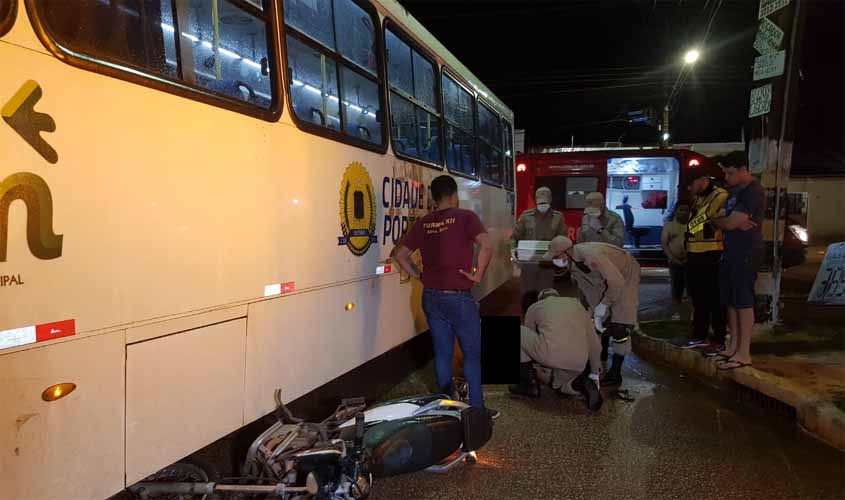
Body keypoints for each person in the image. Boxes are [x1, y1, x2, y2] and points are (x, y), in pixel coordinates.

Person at [393, 175, 498, 419]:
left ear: (434, 197)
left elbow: (401, 255)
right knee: (472, 355)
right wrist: (478, 274)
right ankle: (477, 409)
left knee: (442, 354)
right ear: (454, 196)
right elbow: (487, 245)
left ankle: (446, 407)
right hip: (458, 298)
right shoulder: (465, 217)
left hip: (431, 297)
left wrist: (420, 276)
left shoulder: (424, 223)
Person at [543, 237, 640, 386]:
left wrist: (605, 303)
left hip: (626, 273)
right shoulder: (574, 265)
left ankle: (615, 372)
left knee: (622, 323)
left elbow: (617, 282)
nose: (555, 261)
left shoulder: (592, 255)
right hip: (605, 279)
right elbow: (589, 289)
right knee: (596, 319)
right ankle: (599, 357)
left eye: (556, 257)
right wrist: (596, 310)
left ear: (566, 253)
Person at [709, 152, 765, 370]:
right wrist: (725, 222)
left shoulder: (753, 192)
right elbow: (716, 218)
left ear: (743, 169)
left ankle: (744, 352)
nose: (726, 176)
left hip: (746, 251)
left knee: (742, 300)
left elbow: (730, 222)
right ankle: (732, 346)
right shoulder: (734, 191)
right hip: (730, 250)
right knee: (731, 301)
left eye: (730, 172)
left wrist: (727, 222)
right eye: (725, 172)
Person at [509, 289, 603, 411]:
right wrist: (594, 372)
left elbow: (529, 343)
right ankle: (582, 383)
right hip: (579, 361)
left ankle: (529, 384)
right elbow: (595, 343)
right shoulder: (577, 305)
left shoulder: (534, 307)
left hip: (552, 355)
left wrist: (539, 369)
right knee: (558, 386)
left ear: (540, 299)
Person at [682, 171, 729, 352]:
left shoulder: (720, 195)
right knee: (698, 297)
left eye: (691, 185)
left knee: (714, 298)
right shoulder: (699, 198)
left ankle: (718, 336)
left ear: (702, 180)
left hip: (712, 253)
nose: (690, 190)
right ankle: (699, 334)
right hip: (695, 253)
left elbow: (704, 218)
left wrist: (690, 228)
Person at [511, 186, 568, 293]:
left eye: (545, 203)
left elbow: (563, 239)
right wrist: (513, 251)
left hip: (547, 263)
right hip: (528, 263)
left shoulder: (558, 217)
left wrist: (561, 254)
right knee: (527, 295)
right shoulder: (526, 216)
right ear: (536, 201)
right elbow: (515, 237)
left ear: (550, 200)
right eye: (540, 203)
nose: (542, 206)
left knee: (545, 293)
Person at [661, 202, 691, 320]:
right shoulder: (669, 226)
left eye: (685, 210)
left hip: (691, 262)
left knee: (691, 289)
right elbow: (664, 244)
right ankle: (676, 312)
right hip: (674, 262)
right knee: (676, 288)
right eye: (680, 210)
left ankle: (692, 314)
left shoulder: (693, 225)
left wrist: (688, 258)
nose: (682, 212)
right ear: (676, 211)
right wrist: (672, 258)